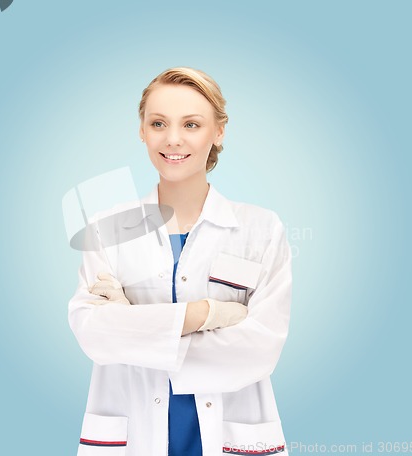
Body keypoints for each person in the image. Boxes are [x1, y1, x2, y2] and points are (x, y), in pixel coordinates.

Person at [68, 67, 292, 456]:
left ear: (219, 132)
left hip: (230, 433)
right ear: (142, 130)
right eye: (158, 123)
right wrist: (204, 314)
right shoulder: (107, 229)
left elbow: (259, 349)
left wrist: (136, 328)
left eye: (191, 124)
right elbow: (93, 334)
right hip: (129, 437)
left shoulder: (261, 228)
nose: (173, 139)